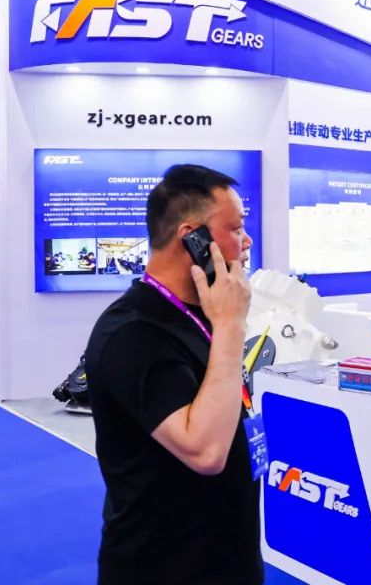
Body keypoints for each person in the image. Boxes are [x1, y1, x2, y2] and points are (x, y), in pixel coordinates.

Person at [84, 164, 261, 585]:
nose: (247, 241)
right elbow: (205, 452)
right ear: (192, 238)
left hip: (225, 556)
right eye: (236, 228)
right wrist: (232, 326)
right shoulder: (131, 332)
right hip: (162, 566)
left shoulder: (200, 314)